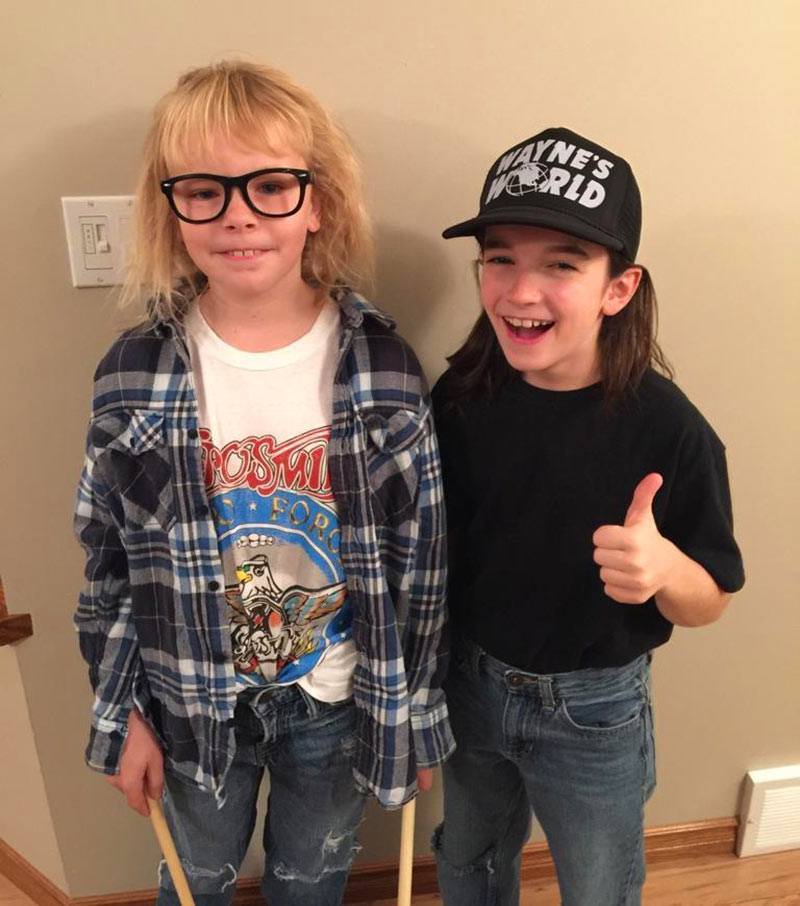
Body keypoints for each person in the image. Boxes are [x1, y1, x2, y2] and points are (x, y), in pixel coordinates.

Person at [74, 60, 453, 906]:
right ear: (171, 210)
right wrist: (120, 711)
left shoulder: (383, 369)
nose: (238, 214)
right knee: (193, 881)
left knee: (312, 883)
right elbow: (106, 566)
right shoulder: (133, 374)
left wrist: (416, 710)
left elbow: (421, 564)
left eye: (271, 186)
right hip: (190, 703)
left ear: (317, 202)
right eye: (204, 191)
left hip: (337, 697)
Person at [431, 126, 744, 906]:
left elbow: (711, 599)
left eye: (561, 265)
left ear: (618, 288)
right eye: (500, 259)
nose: (520, 291)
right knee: (467, 860)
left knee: (600, 886)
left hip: (593, 711)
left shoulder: (670, 429)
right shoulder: (463, 395)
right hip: (469, 682)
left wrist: (665, 569)